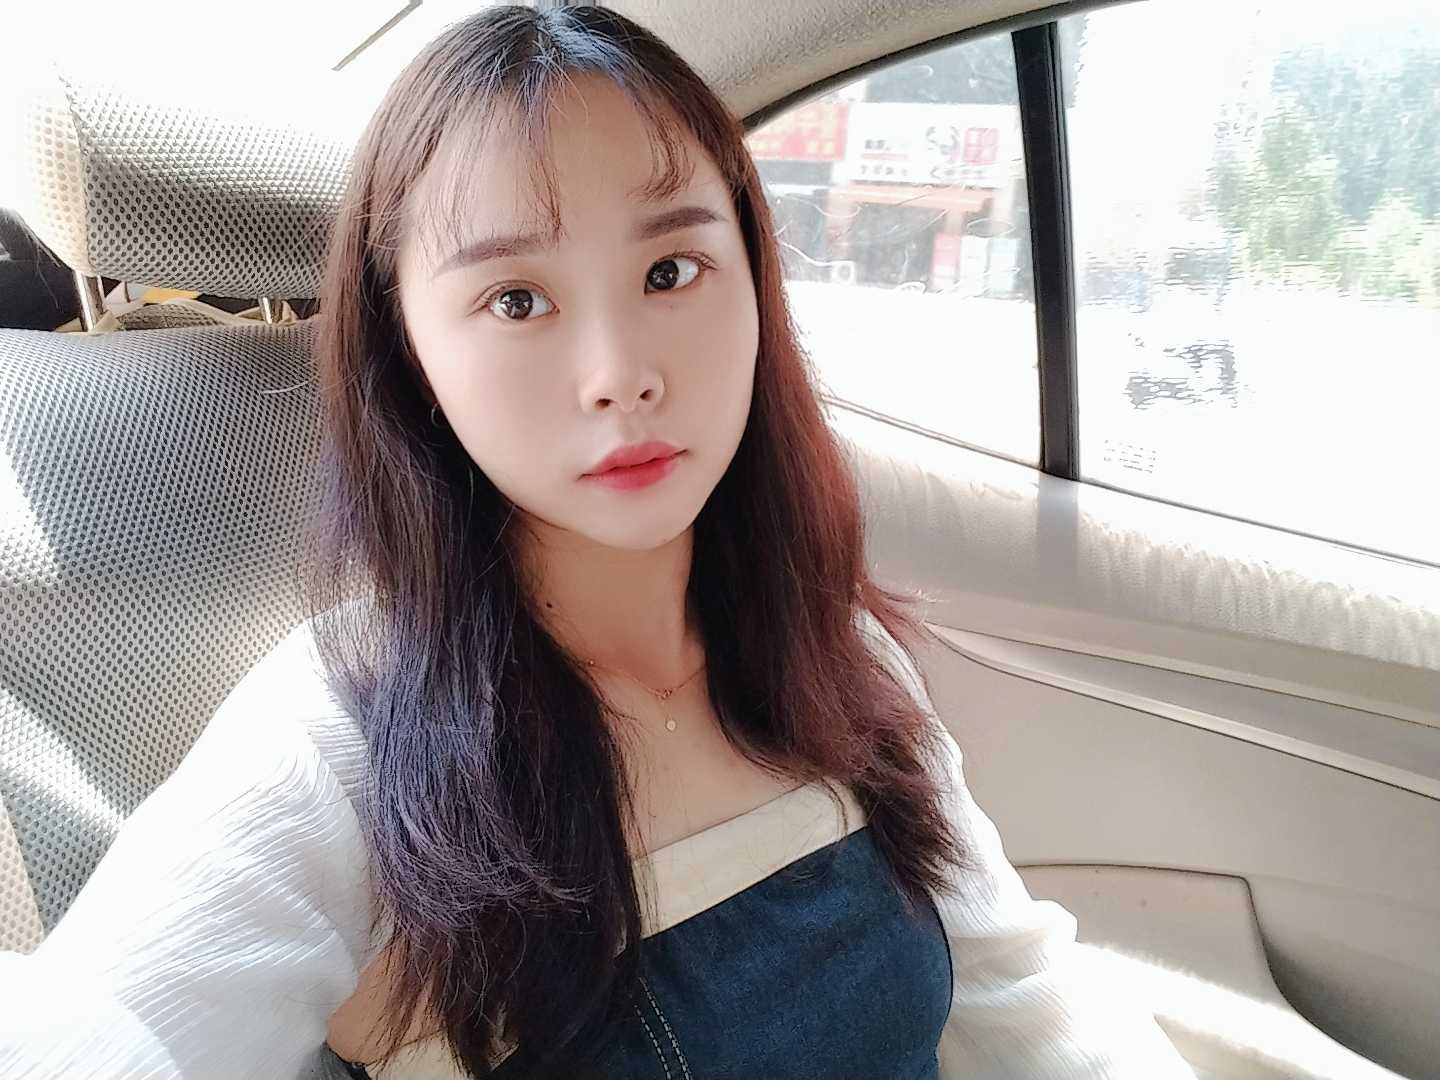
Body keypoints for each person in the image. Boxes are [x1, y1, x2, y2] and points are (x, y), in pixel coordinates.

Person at [0, 6, 1195, 1078]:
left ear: (754, 282)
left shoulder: (838, 654)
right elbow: (105, 1030)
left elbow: (1028, 1002)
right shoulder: (344, 741)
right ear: (411, 352)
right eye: (516, 300)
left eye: (671, 269)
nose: (619, 374)